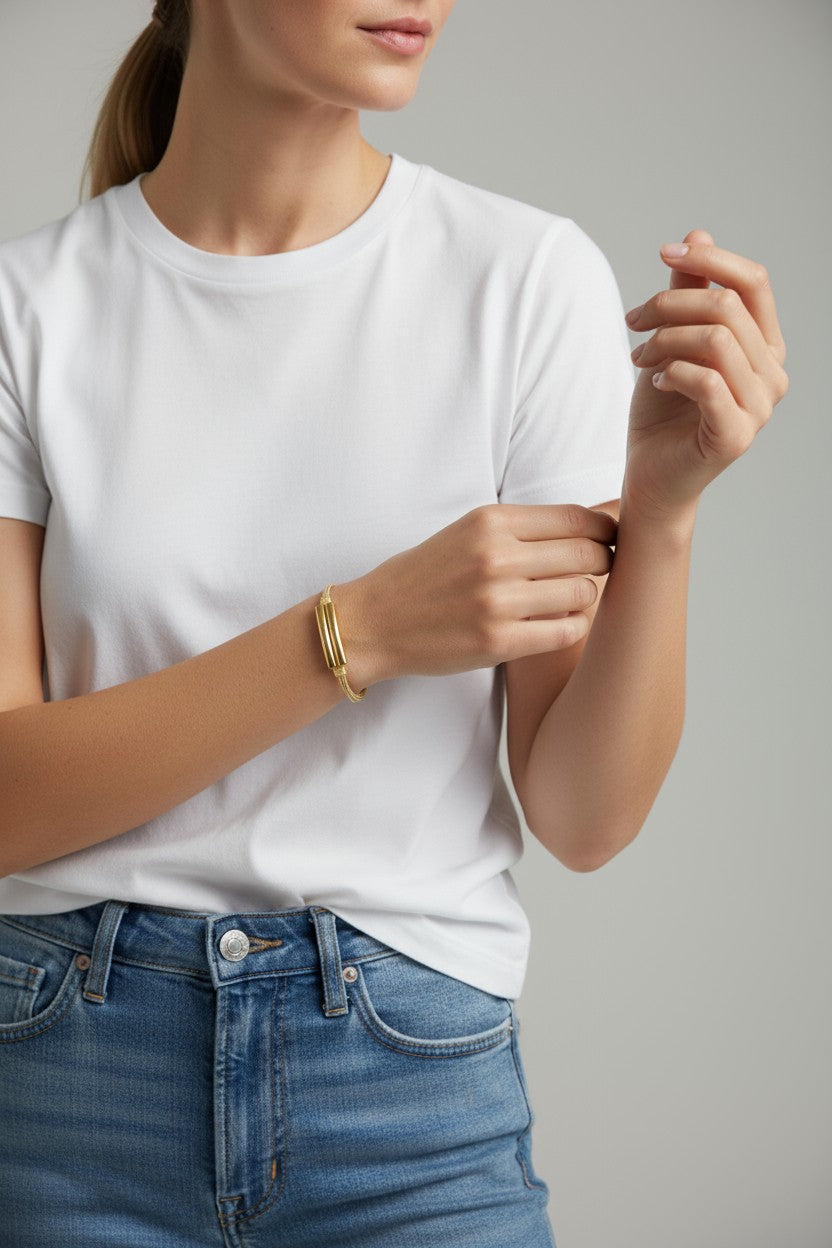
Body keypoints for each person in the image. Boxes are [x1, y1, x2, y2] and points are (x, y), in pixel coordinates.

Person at [0, 2, 788, 1245]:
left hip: (408, 1094)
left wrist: (667, 514)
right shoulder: (27, 308)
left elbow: (582, 819)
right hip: (68, 1091)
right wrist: (354, 632)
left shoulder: (521, 281)